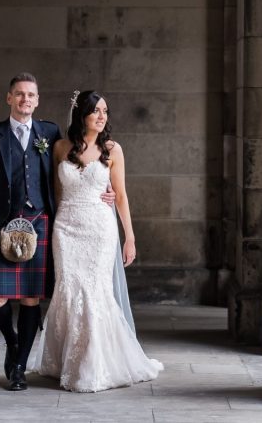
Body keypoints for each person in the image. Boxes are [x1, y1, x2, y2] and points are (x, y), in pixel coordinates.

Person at [0, 74, 114, 391]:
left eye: (30, 95)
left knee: (31, 298)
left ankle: (18, 368)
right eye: (19, 94)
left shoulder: (49, 133)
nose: (25, 100)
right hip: (1, 223)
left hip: (40, 221)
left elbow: (73, 170)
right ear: (9, 98)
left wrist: (106, 188)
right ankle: (14, 342)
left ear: (37, 99)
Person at [30, 90, 163, 392]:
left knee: (93, 291)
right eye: (96, 111)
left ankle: (92, 366)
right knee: (68, 291)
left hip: (100, 230)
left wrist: (129, 237)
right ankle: (66, 361)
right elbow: (55, 193)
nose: (102, 117)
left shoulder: (113, 149)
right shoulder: (61, 147)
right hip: (66, 229)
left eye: (106, 111)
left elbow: (121, 195)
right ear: (82, 115)